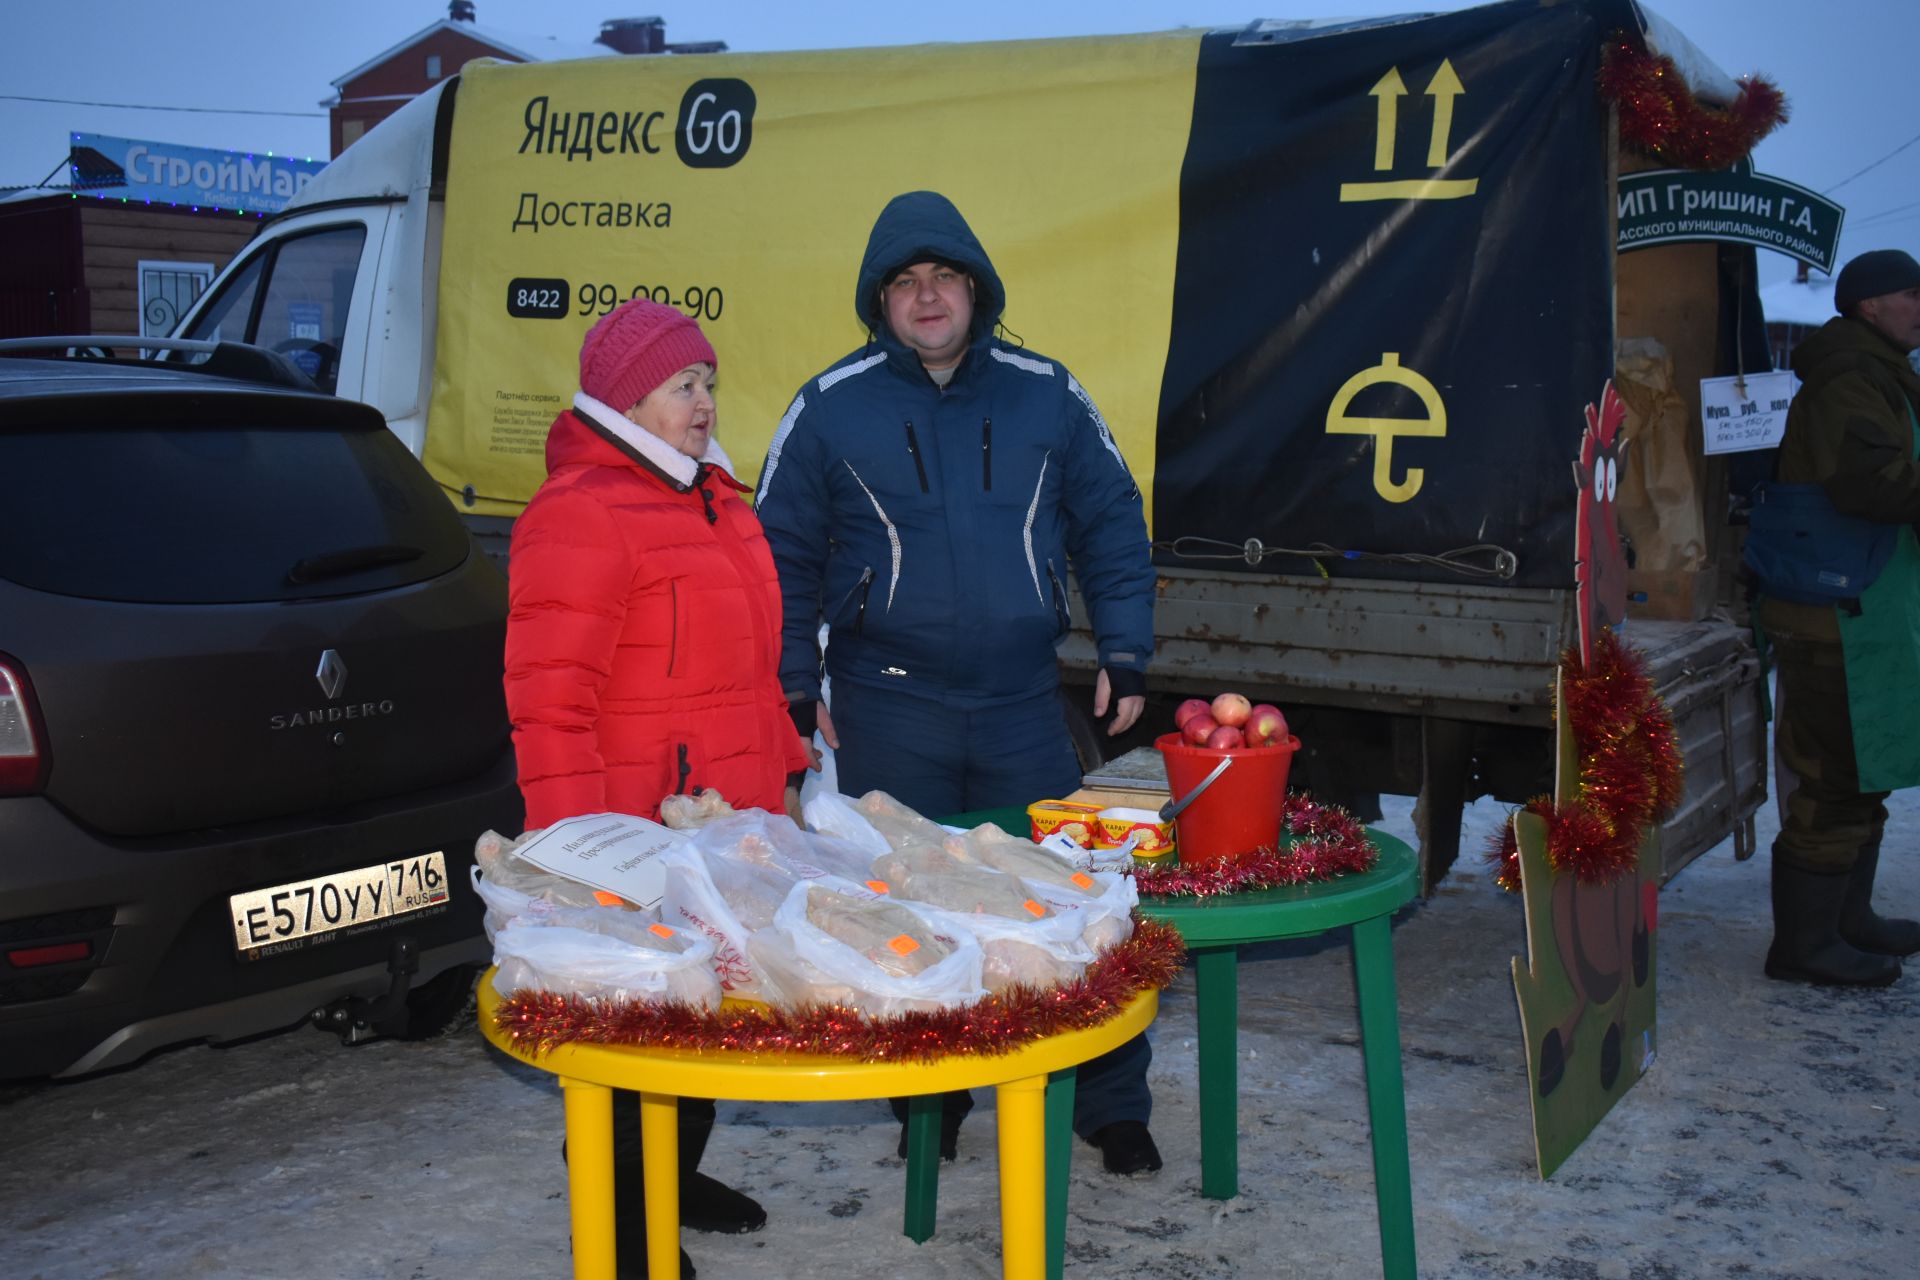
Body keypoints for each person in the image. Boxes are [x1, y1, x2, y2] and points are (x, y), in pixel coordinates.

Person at [755, 190, 1162, 1174]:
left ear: (977, 290)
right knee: (899, 915)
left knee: (1068, 907)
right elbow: (781, 555)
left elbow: (1110, 518)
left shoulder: (1046, 392)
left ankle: (1109, 1104)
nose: (927, 296)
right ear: (879, 300)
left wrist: (1126, 649)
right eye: (905, 282)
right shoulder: (829, 407)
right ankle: (927, 1106)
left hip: (1024, 704)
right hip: (888, 709)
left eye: (944, 277)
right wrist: (791, 687)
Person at [505, 298, 811, 1277]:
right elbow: (550, 702)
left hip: (727, 828)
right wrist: (571, 853)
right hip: (631, 836)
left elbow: (755, 674)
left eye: (711, 381)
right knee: (640, 1039)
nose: (706, 401)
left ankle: (673, 1179)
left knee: (705, 1026)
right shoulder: (579, 512)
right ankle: (627, 1230)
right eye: (684, 383)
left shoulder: (718, 501)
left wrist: (789, 789)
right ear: (626, 399)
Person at [1760, 248, 1920, 987]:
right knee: (1836, 776)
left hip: (1867, 609)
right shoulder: (1851, 377)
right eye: (1912, 295)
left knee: (1865, 771)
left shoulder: (1882, 372)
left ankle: (1846, 921)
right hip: (1834, 616)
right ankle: (1805, 945)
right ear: (1868, 306)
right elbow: (1872, 485)